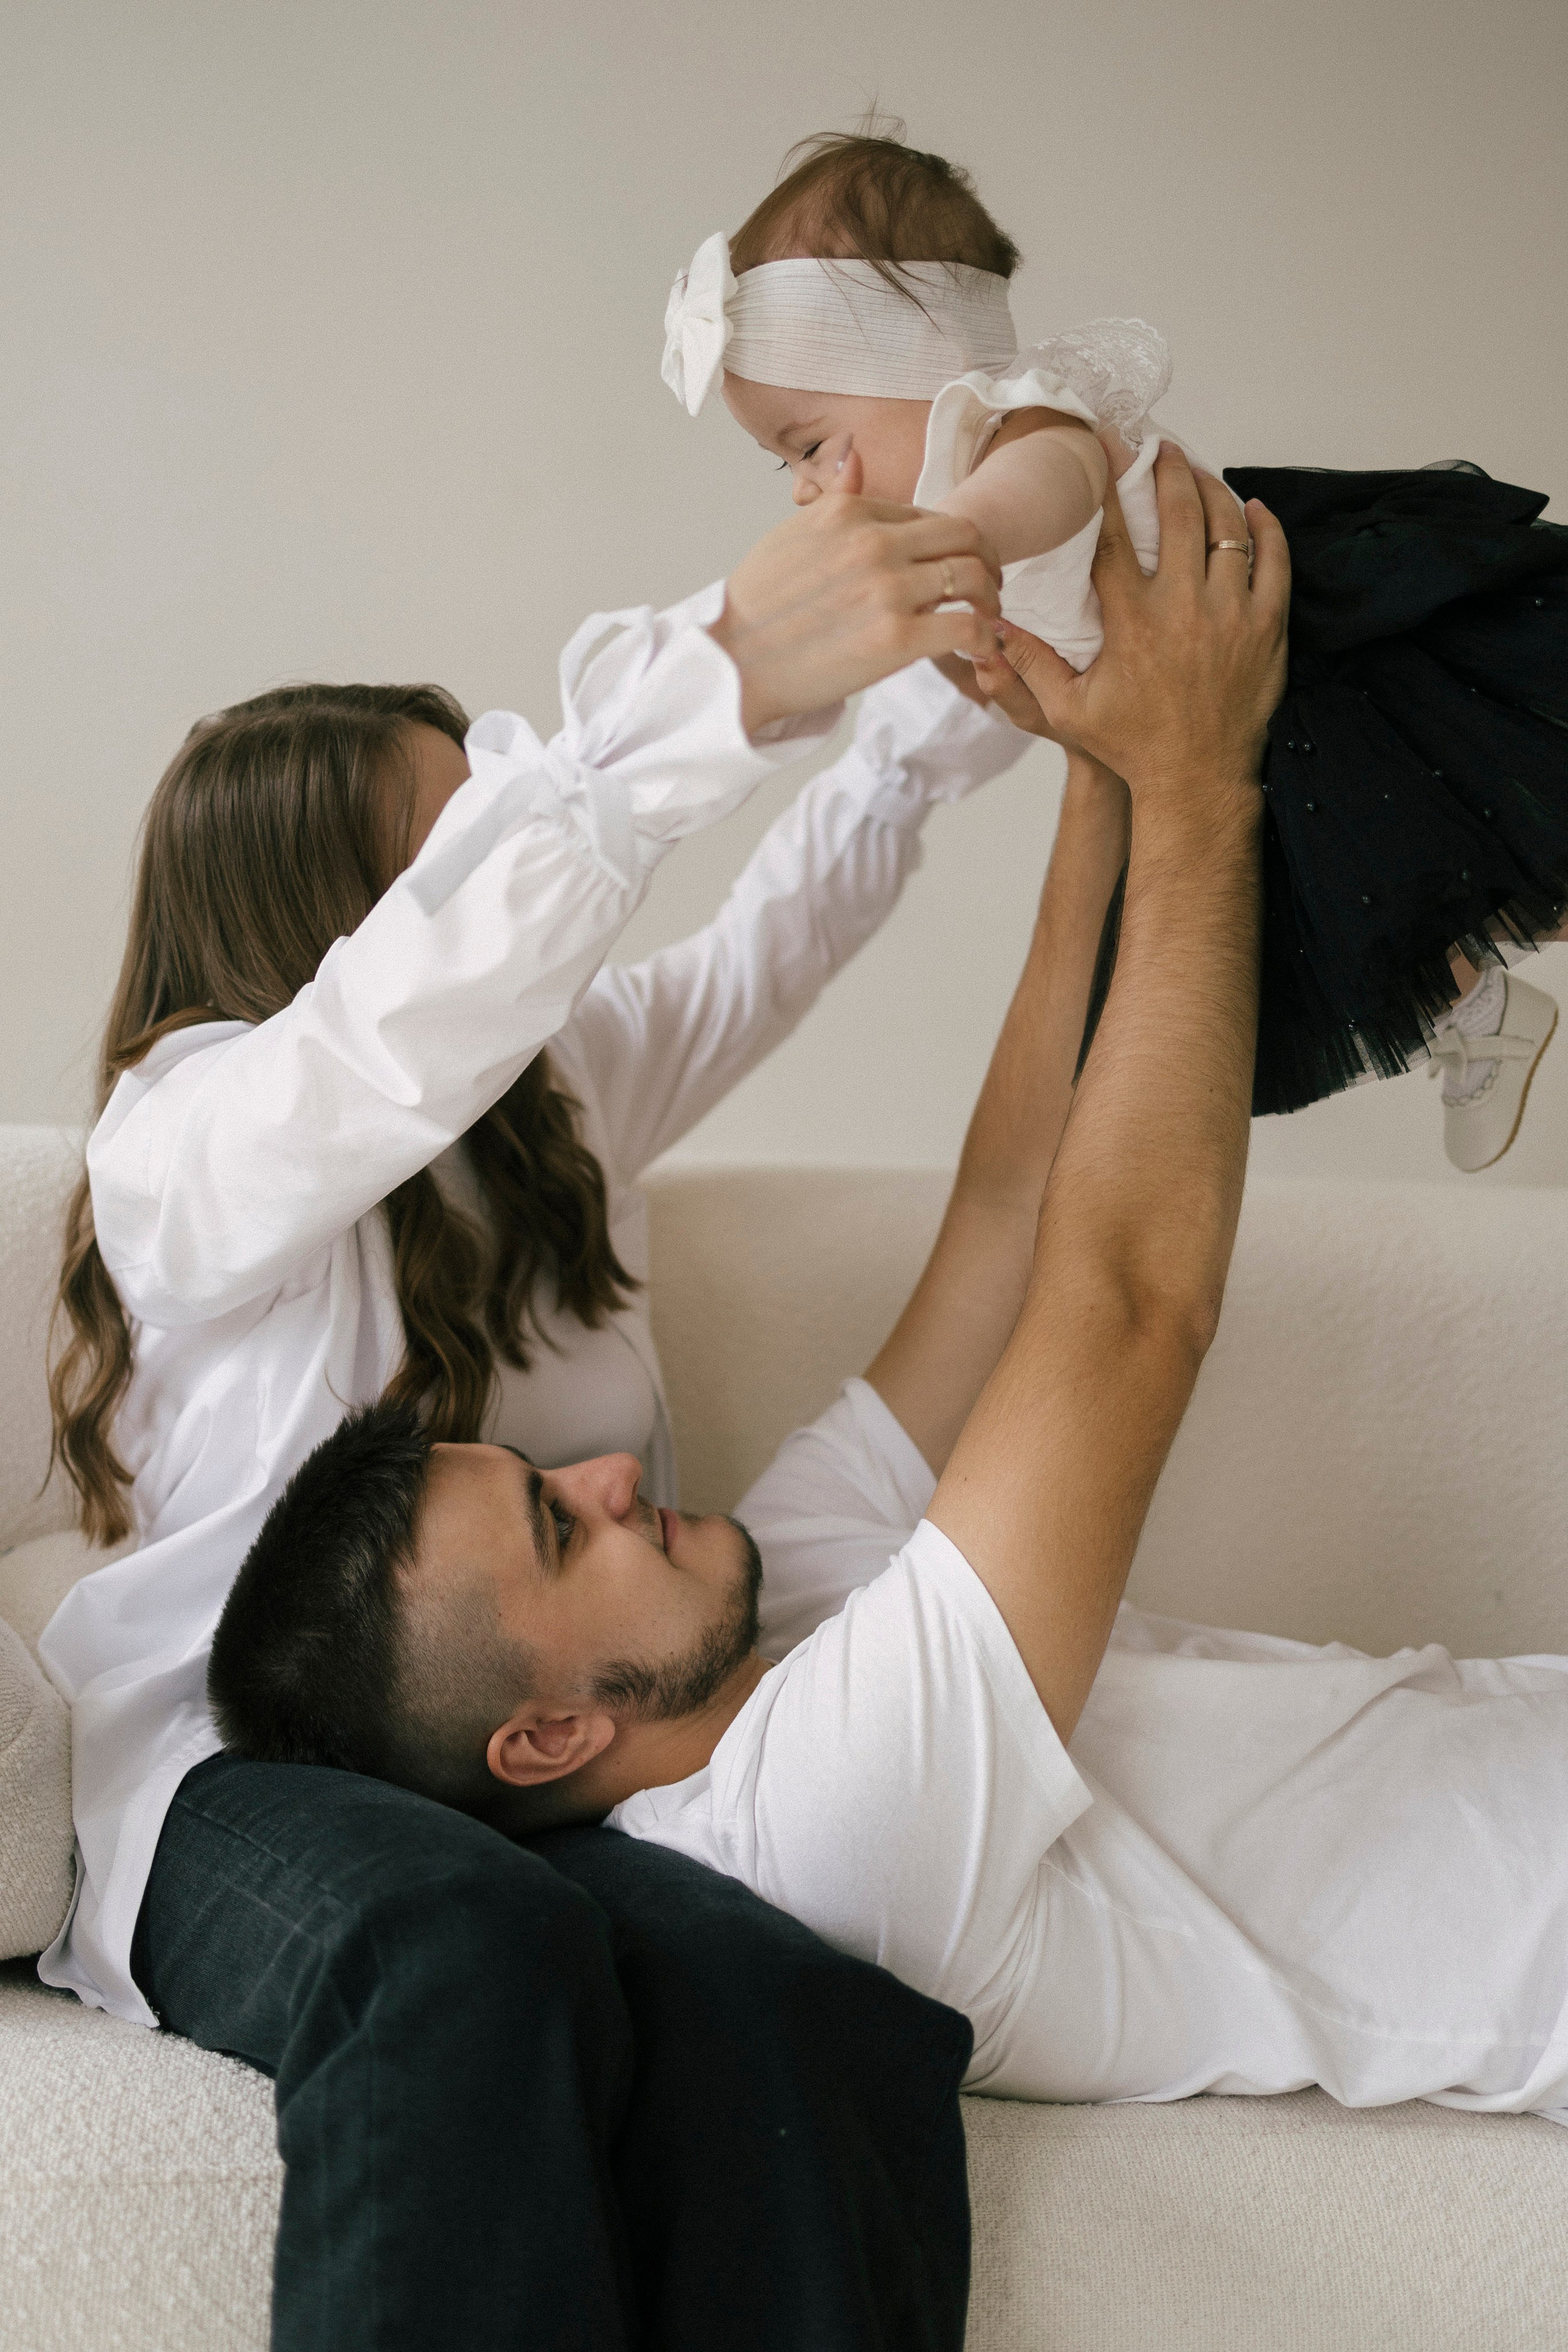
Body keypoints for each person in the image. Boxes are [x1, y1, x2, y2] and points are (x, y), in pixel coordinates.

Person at [222, 450, 1568, 2134]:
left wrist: (1105, 782)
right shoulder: (812, 1831)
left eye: (550, 1477)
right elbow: (1133, 1307)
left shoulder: (776, 1611)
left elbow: (1010, 1202)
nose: (614, 1474)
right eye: (562, 1530)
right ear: (547, 1738)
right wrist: (1202, 783)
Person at [40, 491, 1022, 2351]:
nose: (516, 858)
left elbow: (789, 927)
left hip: (534, 1759)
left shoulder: (550, 1101)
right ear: (337, 921)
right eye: (462, 838)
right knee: (460, 1949)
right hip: (244, 1779)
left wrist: (953, 668)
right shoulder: (192, 1145)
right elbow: (379, 1041)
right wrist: (705, 684)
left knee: (807, 2020)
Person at [661, 123, 1568, 1165]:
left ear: (917, 365)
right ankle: (1475, 1013)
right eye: (784, 468)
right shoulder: (961, 493)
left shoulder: (1021, 429)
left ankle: (1480, 1003)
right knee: (1351, 904)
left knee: (1484, 846)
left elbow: (1047, 495)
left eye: (810, 446)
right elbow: (1014, 670)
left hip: (1310, 654)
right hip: (1213, 724)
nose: (809, 488)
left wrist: (955, 542)